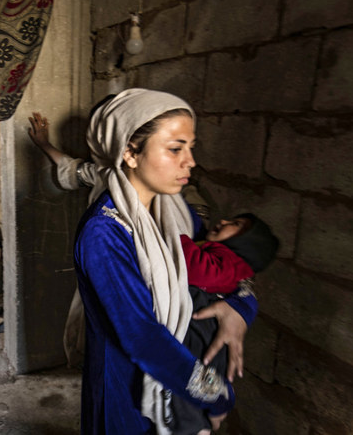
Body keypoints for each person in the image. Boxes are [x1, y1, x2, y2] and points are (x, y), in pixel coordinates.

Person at [66, 88, 259, 434]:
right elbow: (143, 337)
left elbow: (228, 269)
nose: (190, 161)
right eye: (175, 149)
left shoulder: (176, 211)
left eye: (190, 147)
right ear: (130, 153)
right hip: (128, 391)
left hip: (178, 383)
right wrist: (217, 396)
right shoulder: (104, 233)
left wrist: (240, 310)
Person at [172, 213, 279, 434]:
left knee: (187, 383)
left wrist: (174, 237)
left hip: (204, 329)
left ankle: (196, 425)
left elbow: (199, 270)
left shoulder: (228, 259)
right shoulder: (221, 254)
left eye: (236, 225)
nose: (222, 221)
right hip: (203, 328)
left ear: (247, 245)